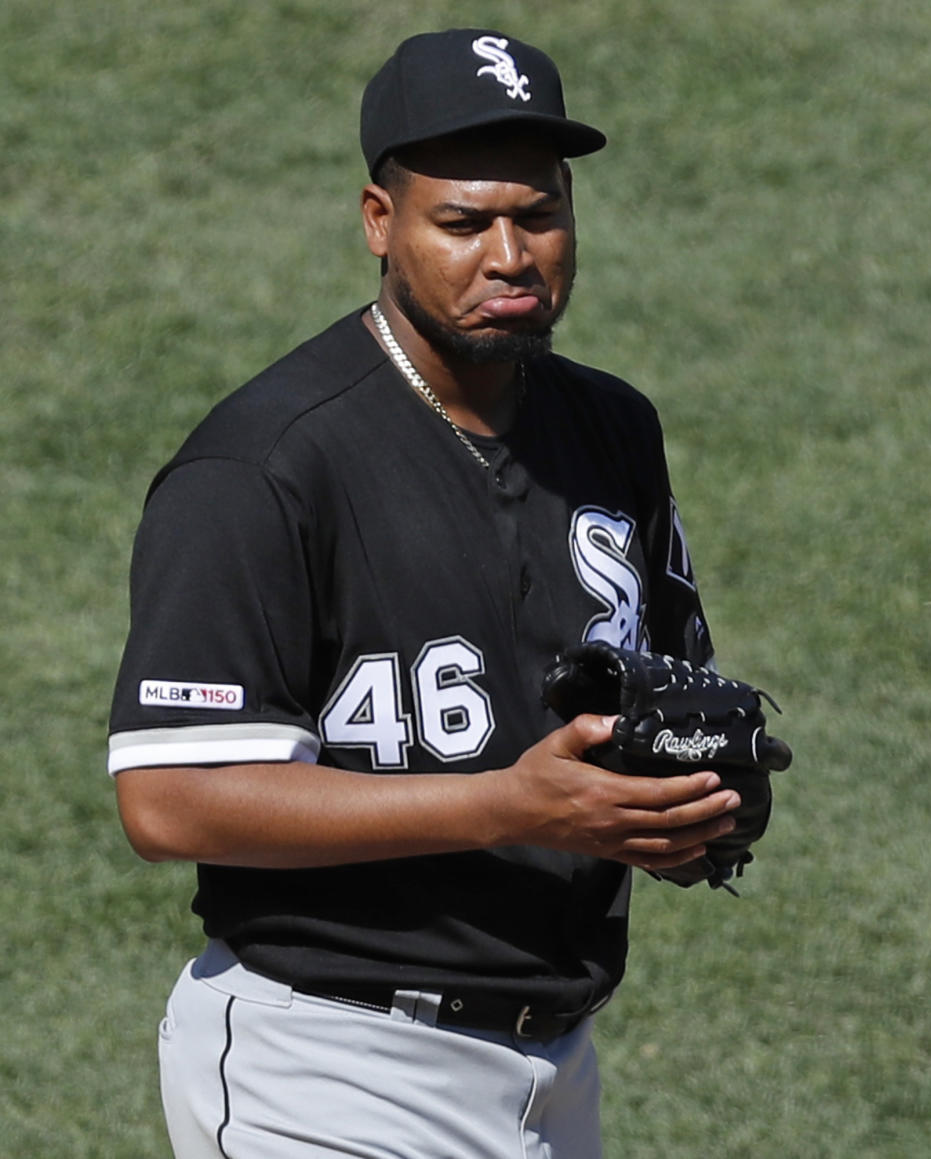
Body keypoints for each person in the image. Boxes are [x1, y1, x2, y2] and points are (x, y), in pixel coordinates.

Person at [109, 28, 742, 1159]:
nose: (510, 254)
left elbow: (657, 694)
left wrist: (683, 806)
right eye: (462, 222)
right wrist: (510, 805)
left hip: (557, 1069)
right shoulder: (263, 468)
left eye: (539, 214)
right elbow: (169, 799)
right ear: (378, 222)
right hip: (327, 1067)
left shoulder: (611, 429)